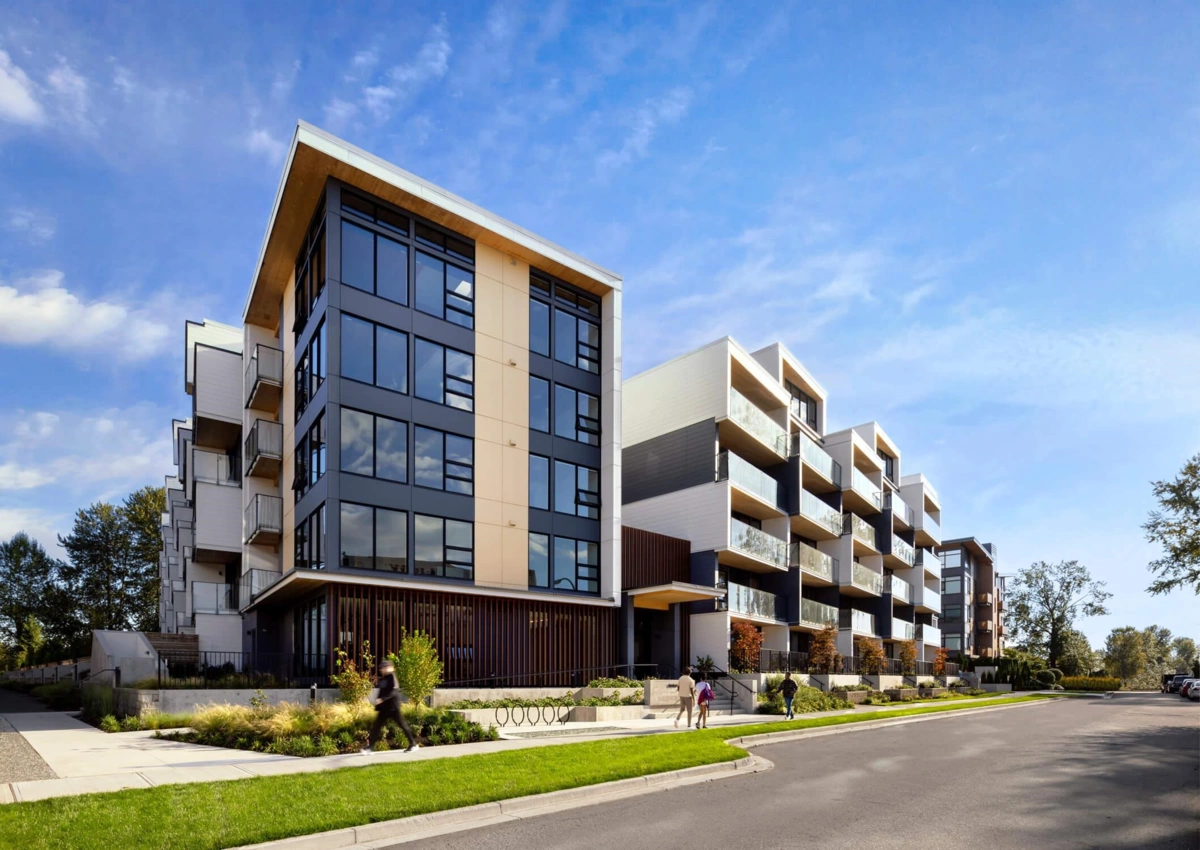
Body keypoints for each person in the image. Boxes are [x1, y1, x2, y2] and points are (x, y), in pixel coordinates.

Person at [363, 659, 421, 754]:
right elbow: (381, 692)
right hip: (384, 708)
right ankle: (370, 748)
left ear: (389, 668)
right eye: (381, 668)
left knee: (402, 725)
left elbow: (394, 691)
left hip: (393, 708)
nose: (382, 669)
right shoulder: (383, 678)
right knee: (376, 727)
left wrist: (382, 699)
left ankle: (413, 744)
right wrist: (378, 704)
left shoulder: (392, 677)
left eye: (384, 667)